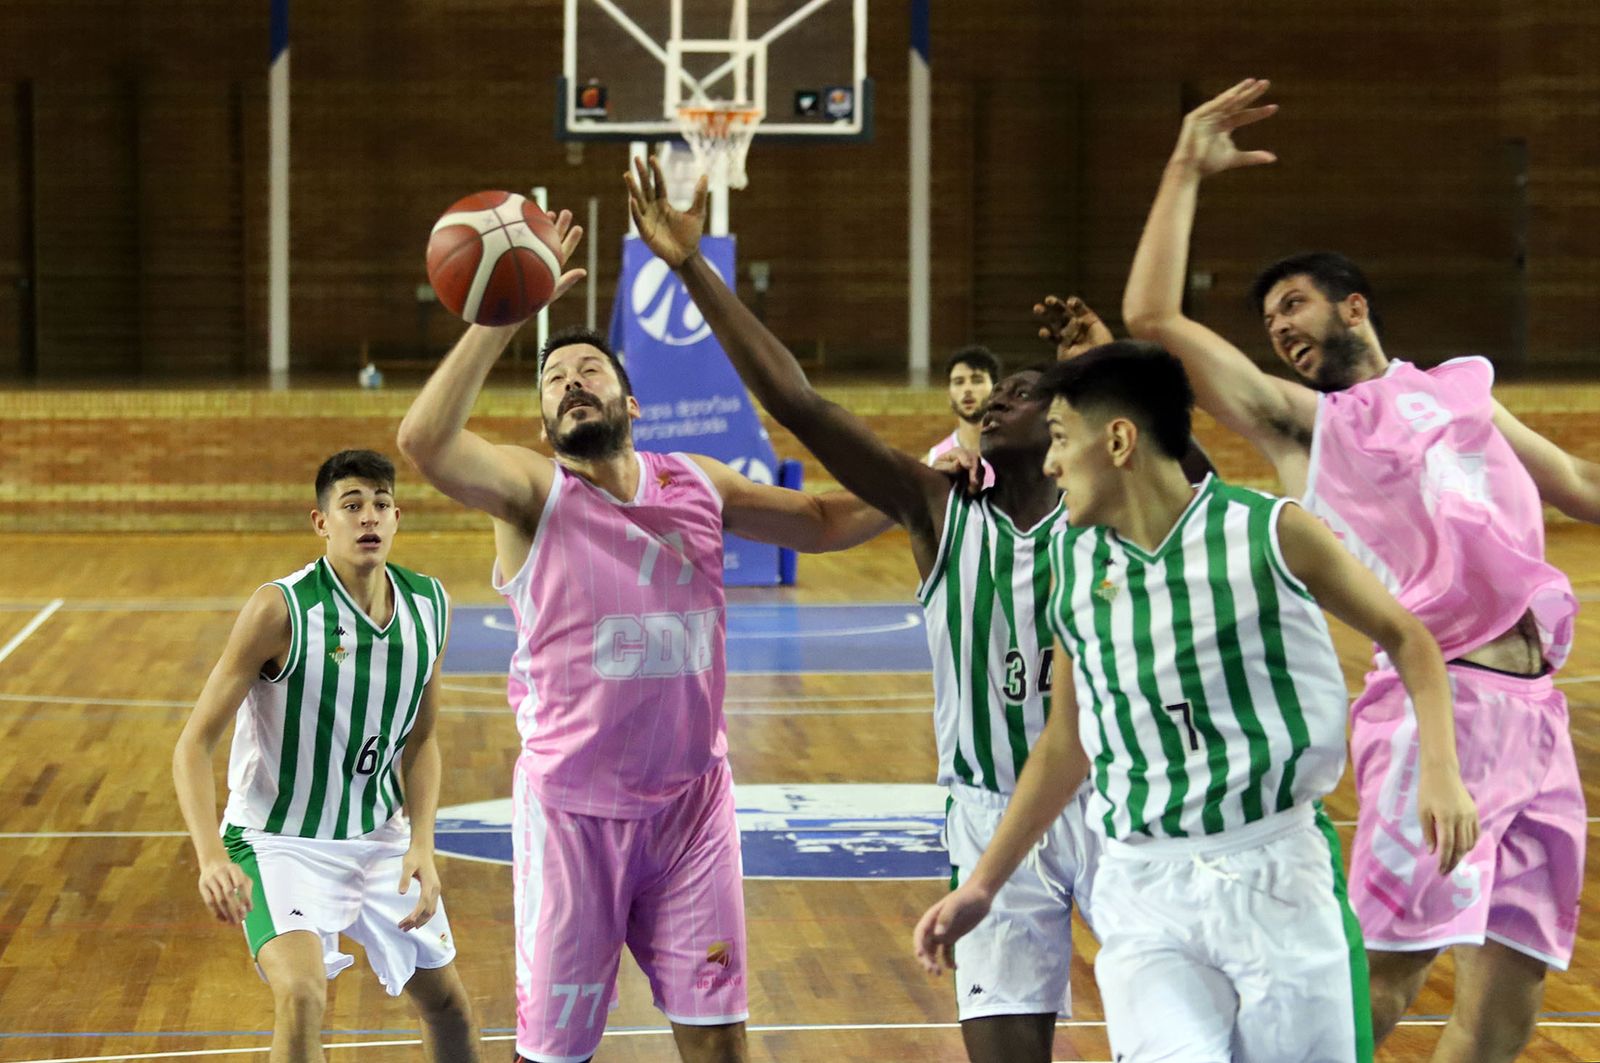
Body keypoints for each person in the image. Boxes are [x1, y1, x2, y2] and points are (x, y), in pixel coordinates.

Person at [626, 156, 1208, 1063]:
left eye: (1026, 394)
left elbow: (1190, 481)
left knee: (1171, 1039)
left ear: (1069, 428)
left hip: (1110, 796)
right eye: (994, 395)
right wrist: (692, 266)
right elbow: (796, 400)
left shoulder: (1110, 512)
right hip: (984, 806)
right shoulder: (938, 507)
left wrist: (1103, 367)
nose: (997, 403)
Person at [1121, 77, 1594, 1062]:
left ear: (1354, 304)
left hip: (1536, 719)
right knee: (1385, 974)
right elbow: (1152, 313)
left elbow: (1580, 483)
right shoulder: (1310, 426)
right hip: (1438, 706)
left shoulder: (1462, 393)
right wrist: (1183, 168)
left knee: (1512, 990)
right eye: (1269, 320)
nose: (1281, 328)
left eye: (1293, 304)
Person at [396, 208, 892, 1063]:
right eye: (553, 379)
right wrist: (508, 315)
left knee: (720, 1045)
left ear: (632, 400)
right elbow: (424, 442)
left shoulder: (695, 481)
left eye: (589, 369)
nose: (571, 382)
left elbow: (820, 518)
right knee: (555, 1055)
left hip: (693, 806)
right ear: (546, 421)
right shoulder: (533, 492)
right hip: (572, 817)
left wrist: (932, 483)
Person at [913, 343, 1480, 1063]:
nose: (1050, 463)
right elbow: (1065, 740)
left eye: (1060, 440)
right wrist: (984, 884)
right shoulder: (1075, 563)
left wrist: (1441, 769)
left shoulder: (1270, 533)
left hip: (1276, 869)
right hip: (1143, 885)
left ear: (1118, 440)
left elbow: (1409, 638)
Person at [172, 449, 477, 1063]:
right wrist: (209, 858)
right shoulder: (279, 611)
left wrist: (422, 842)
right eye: (352, 505)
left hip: (379, 837)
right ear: (321, 523)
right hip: (277, 840)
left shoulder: (431, 607)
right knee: (304, 995)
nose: (369, 517)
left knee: (448, 1006)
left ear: (397, 518)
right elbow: (192, 744)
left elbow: (422, 739)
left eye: (381, 505)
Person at [926, 345, 999, 487]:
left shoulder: (1015, 453)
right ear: (949, 395)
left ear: (996, 390)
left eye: (977, 380)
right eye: (959, 382)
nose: (967, 389)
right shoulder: (933, 460)